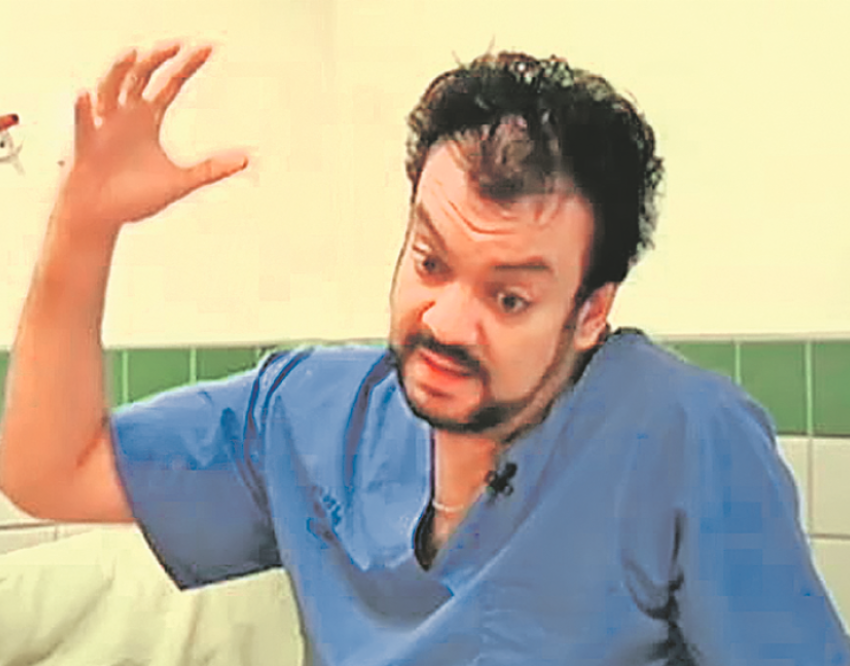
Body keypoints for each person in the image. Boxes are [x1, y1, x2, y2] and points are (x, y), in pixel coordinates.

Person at [0, 42, 847, 666]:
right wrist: (85, 226)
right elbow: (51, 473)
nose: (446, 322)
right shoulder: (308, 415)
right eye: (431, 261)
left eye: (508, 299)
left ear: (590, 313)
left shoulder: (681, 434)